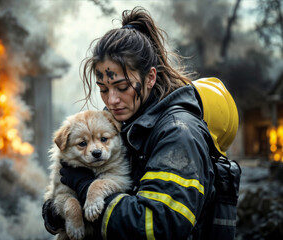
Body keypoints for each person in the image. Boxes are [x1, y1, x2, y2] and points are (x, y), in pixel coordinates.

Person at [43, 6, 228, 240]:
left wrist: (86, 187)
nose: (111, 100)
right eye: (103, 89)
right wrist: (59, 209)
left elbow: (158, 227)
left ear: (150, 77)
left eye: (121, 87)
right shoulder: (121, 121)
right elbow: (57, 215)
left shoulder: (178, 133)